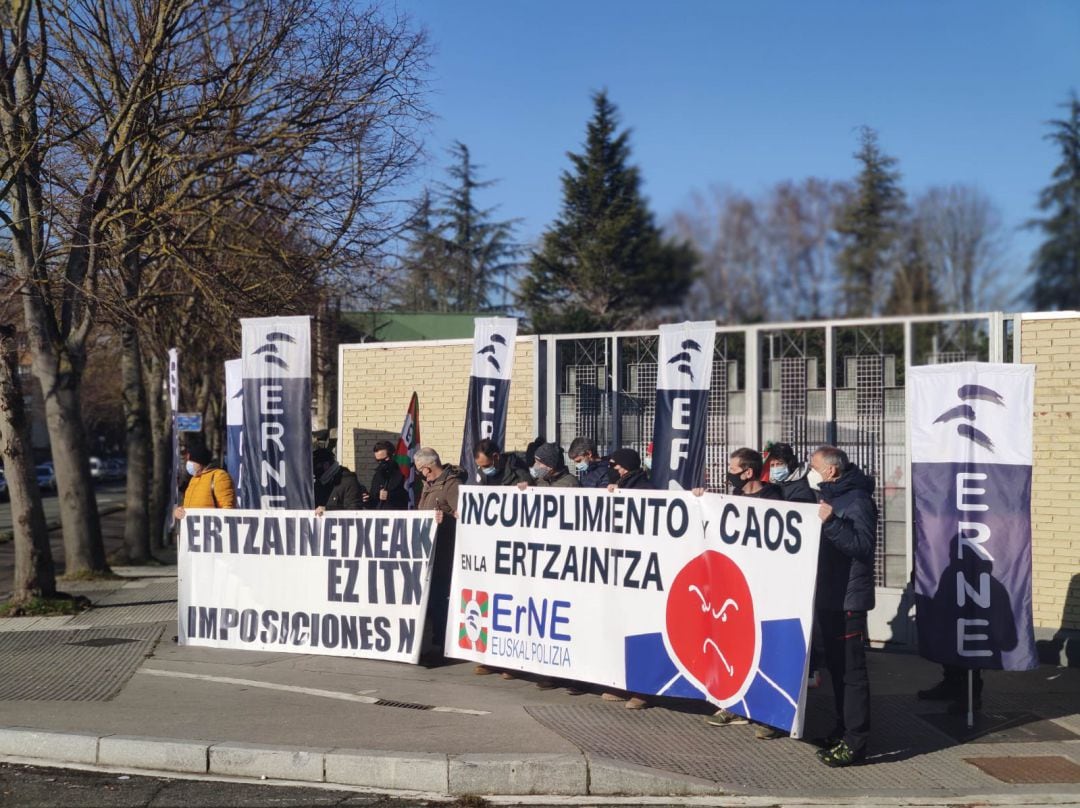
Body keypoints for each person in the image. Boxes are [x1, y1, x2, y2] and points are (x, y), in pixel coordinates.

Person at [705, 448, 787, 739]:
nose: (730, 474)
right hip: (736, 589)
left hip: (765, 590)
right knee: (735, 649)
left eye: (733, 469)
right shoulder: (733, 499)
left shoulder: (774, 500)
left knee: (766, 651)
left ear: (748, 472)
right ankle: (734, 704)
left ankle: (771, 715)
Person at [808, 445, 876, 768]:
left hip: (848, 599)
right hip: (829, 597)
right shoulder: (830, 497)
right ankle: (842, 729)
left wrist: (831, 522)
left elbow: (861, 546)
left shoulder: (858, 500)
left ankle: (856, 742)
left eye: (815, 466)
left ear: (831, 470)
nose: (812, 472)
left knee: (851, 674)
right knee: (836, 670)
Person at [603, 447, 654, 709]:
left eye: (618, 465)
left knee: (639, 630)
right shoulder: (618, 485)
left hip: (640, 568)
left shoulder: (645, 488)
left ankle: (643, 690)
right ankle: (621, 683)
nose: (615, 469)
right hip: (620, 567)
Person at [414, 447, 468, 664]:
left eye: (420, 470)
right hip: (429, 551)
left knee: (439, 599)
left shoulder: (451, 485)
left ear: (427, 468)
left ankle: (440, 645)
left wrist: (445, 517)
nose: (420, 474)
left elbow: (463, 515)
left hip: (445, 551)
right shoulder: (428, 485)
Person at [173, 443, 235, 518]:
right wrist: (179, 511)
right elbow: (191, 506)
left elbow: (228, 510)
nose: (188, 464)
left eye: (190, 461)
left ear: (199, 462)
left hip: (212, 528)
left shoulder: (219, 476)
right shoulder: (194, 479)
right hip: (194, 528)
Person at [313, 448, 365, 514]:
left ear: (326, 465)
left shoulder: (348, 481)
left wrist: (328, 511)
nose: (314, 471)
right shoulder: (319, 483)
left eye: (316, 466)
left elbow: (354, 510)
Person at [365, 440, 409, 510]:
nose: (382, 463)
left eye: (385, 459)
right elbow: (373, 501)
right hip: (379, 515)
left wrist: (389, 496)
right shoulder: (378, 474)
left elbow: (408, 496)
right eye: (378, 461)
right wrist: (366, 500)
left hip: (396, 515)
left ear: (392, 456)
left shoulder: (402, 472)